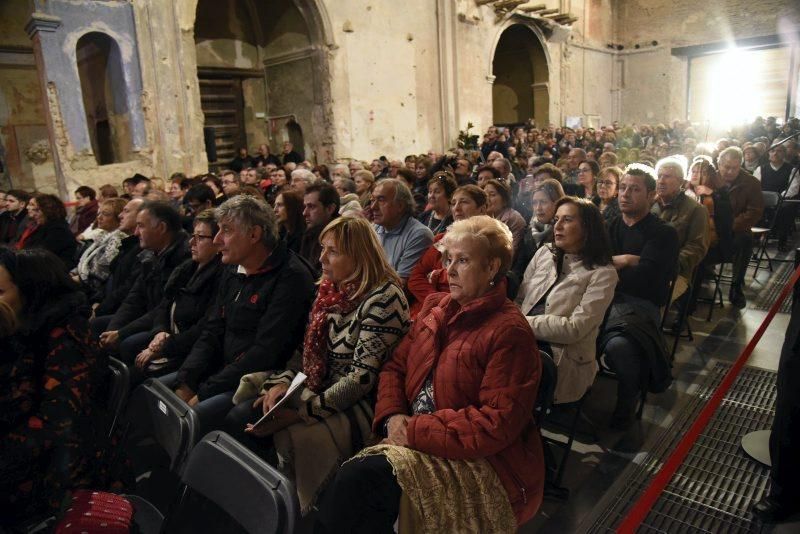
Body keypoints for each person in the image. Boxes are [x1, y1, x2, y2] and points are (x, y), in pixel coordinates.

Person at [316, 216, 544, 533]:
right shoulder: (435, 307)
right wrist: (393, 415)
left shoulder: (509, 331)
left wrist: (415, 429)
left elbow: (496, 422)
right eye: (447, 259)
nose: (448, 270)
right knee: (354, 488)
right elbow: (395, 367)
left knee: (359, 480)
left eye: (462, 261)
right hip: (415, 432)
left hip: (481, 461)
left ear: (492, 268)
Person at [225, 216, 410, 513]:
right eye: (323, 249)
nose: (321, 258)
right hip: (319, 385)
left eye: (332, 251)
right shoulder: (330, 290)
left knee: (272, 431)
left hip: (360, 403)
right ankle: (256, 509)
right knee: (245, 414)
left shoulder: (384, 298)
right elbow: (304, 351)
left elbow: (361, 380)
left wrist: (299, 413)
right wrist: (282, 384)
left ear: (359, 256)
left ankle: (285, 514)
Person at [169, 195, 315, 434]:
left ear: (254, 235)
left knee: (191, 420)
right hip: (223, 371)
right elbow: (212, 330)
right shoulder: (232, 269)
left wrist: (204, 392)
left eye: (226, 231)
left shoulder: (291, 278)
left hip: (258, 380)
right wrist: (187, 381)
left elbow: (265, 352)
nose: (217, 240)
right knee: (165, 394)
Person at [0, 249, 119, 526]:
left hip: (57, 471)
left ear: (31, 291)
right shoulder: (25, 328)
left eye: (1, 291)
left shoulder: (65, 336)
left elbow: (57, 422)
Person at [599, 164, 679, 429]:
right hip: (604, 299)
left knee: (618, 347)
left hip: (639, 306)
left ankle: (627, 399)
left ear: (651, 195)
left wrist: (618, 267)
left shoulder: (663, 233)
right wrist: (626, 261)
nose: (625, 194)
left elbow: (647, 278)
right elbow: (595, 263)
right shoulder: (610, 226)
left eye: (635, 189)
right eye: (623, 188)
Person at [517, 198, 618, 403]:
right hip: (520, 338)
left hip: (558, 356)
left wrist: (520, 323)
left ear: (587, 228)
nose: (558, 226)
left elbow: (574, 328)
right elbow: (519, 300)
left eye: (568, 220)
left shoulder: (603, 273)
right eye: (556, 219)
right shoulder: (544, 253)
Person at [133, 209, 224, 379]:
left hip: (187, 348)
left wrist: (164, 346)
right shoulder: (186, 268)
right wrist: (160, 331)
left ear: (218, 242)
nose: (192, 243)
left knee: (140, 368)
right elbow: (164, 306)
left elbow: (203, 327)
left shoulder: (221, 276)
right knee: (131, 351)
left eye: (201, 238)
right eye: (193, 236)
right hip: (169, 337)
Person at [96, 202, 190, 364]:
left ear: (161, 228)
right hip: (148, 317)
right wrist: (113, 329)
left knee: (128, 344)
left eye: (141, 226)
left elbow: (162, 307)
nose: (136, 232)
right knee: (98, 326)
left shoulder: (184, 258)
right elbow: (134, 298)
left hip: (165, 324)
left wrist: (121, 333)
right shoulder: (149, 255)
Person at [408, 185, 488, 317]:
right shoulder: (441, 238)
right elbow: (415, 277)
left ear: (482, 209)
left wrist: (435, 276)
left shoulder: (489, 244)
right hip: (429, 309)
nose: (456, 208)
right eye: (453, 203)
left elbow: (472, 287)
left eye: (464, 202)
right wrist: (438, 302)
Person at [652, 156, 709, 302]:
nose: (661, 181)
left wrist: (670, 264)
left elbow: (697, 247)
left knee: (653, 298)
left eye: (667, 176)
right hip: (646, 264)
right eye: (659, 176)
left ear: (681, 182)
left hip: (677, 271)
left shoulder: (696, 209)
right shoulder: (650, 204)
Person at [718, 147, 763, 308]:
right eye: (726, 167)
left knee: (745, 239)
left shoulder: (751, 183)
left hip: (735, 229)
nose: (730, 171)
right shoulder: (711, 178)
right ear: (719, 164)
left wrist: (729, 225)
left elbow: (754, 212)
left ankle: (736, 286)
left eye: (735, 168)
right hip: (710, 226)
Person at [370, 179, 434, 286]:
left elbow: (400, 284)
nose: (373, 207)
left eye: (381, 200)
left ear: (400, 206)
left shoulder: (419, 235)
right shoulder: (374, 228)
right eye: (372, 200)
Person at [72, 198, 128, 296]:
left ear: (119, 217)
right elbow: (86, 262)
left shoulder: (118, 239)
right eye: (99, 213)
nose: (99, 217)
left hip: (94, 291)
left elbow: (101, 274)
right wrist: (73, 273)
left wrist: (75, 279)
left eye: (105, 214)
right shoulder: (103, 235)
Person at [17, 193, 77, 269]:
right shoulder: (42, 226)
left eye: (32, 205)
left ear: (45, 209)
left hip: (54, 270)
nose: (27, 207)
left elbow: (43, 254)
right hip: (42, 267)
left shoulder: (58, 229)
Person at [300, 182, 339, 275]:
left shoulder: (341, 237)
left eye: (311, 206)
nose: (304, 213)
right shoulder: (310, 233)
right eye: (305, 206)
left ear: (330, 209)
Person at [484, 178, 527, 255]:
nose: (487, 199)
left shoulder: (513, 218)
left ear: (504, 200)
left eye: (492, 195)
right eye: (485, 195)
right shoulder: (484, 217)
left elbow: (510, 253)